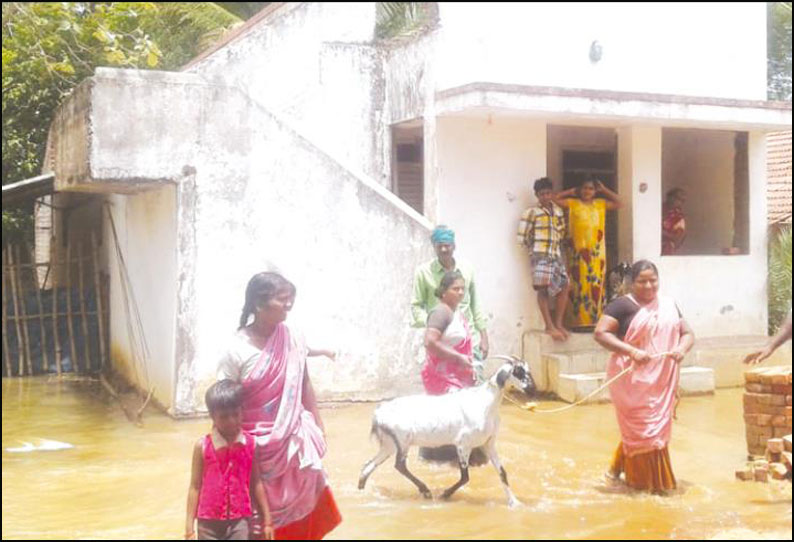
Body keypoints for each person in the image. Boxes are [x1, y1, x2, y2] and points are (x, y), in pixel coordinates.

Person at [217, 272, 341, 540]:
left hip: (294, 441)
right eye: (281, 300)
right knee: (256, 518)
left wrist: (318, 426)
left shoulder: (293, 337)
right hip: (253, 447)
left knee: (307, 504)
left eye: (290, 299)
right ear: (258, 305)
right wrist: (222, 451)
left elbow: (304, 381)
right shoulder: (236, 348)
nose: (288, 305)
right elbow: (223, 402)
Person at [594, 260, 695, 494]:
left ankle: (615, 472)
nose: (649, 286)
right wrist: (631, 350)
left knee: (646, 430)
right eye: (642, 281)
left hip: (661, 380)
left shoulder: (668, 305)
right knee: (644, 430)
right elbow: (600, 333)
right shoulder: (621, 306)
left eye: (653, 280)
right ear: (631, 283)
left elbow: (688, 333)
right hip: (631, 381)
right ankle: (650, 486)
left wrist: (681, 348)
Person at [185, 379, 273, 540]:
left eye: (236, 414)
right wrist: (189, 529)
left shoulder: (251, 444)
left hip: (239, 521)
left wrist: (267, 520)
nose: (231, 421)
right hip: (207, 523)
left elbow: (257, 483)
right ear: (212, 416)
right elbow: (195, 487)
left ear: (242, 411)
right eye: (224, 417)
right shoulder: (202, 447)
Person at [419, 270, 487, 465]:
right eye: (455, 289)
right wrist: (458, 358)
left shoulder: (456, 313)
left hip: (458, 377)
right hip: (442, 379)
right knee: (454, 422)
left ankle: (463, 463)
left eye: (462, 289)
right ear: (443, 292)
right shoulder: (440, 312)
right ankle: (447, 464)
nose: (460, 293)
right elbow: (430, 342)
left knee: (461, 422)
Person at [411, 225, 489, 372]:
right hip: (442, 345)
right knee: (446, 390)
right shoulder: (423, 273)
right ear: (434, 247)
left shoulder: (467, 269)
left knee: (474, 386)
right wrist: (433, 323)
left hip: (470, 340)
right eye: (439, 246)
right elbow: (416, 306)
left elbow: (475, 305)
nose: (444, 250)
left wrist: (484, 337)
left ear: (454, 246)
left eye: (447, 246)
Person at [555, 176, 623, 329]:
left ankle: (594, 322)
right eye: (584, 188)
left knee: (595, 285)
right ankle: (576, 322)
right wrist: (571, 191)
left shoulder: (600, 204)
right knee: (577, 285)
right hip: (576, 254)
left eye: (591, 188)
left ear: (595, 191)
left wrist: (604, 190)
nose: (587, 191)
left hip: (596, 255)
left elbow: (620, 203)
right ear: (580, 190)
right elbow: (554, 199)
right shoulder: (573, 203)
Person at [517, 176, 571, 341]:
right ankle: (549, 326)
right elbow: (522, 236)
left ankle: (559, 323)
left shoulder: (558, 211)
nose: (545, 197)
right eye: (542, 194)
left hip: (555, 255)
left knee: (565, 286)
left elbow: (561, 232)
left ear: (552, 193)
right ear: (537, 195)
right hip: (540, 255)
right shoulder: (532, 212)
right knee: (543, 290)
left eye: (548, 193)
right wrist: (535, 250)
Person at [662, 188, 687, 256]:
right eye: (676, 197)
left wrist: (662, 233)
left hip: (666, 249)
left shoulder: (679, 218)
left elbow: (677, 238)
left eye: (682, 200)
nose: (677, 201)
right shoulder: (657, 208)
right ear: (669, 196)